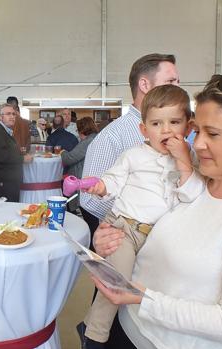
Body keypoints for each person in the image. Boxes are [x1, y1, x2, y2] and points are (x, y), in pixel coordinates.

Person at [90, 74, 222, 349]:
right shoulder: (194, 183)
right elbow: (147, 233)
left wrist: (144, 299)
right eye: (197, 130)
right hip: (127, 327)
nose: (197, 143)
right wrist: (109, 239)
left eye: (213, 134)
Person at [79, 85, 204, 348]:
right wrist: (102, 187)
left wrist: (183, 161)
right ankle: (95, 333)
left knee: (150, 288)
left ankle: (130, 331)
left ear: (189, 128)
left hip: (157, 236)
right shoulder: (134, 155)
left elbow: (193, 195)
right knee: (118, 280)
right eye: (157, 124)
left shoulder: (191, 159)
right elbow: (114, 178)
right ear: (144, 130)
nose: (166, 130)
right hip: (124, 228)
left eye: (174, 122)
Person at [80, 53, 180, 236]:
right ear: (144, 85)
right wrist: (135, 224)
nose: (178, 88)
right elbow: (89, 199)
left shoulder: (180, 132)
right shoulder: (113, 137)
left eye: (178, 82)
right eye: (171, 81)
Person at [0, 103, 33, 202]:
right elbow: (2, 156)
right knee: (5, 214)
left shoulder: (4, 131)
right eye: (8, 114)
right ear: (0, 117)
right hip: (3, 184)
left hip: (8, 182)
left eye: (14, 114)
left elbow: (6, 152)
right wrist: (23, 158)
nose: (12, 117)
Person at [59, 117, 98, 212]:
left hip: (83, 182)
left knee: (88, 215)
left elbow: (70, 158)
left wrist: (62, 152)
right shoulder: (95, 138)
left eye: (78, 129)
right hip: (90, 180)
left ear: (82, 129)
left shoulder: (88, 141)